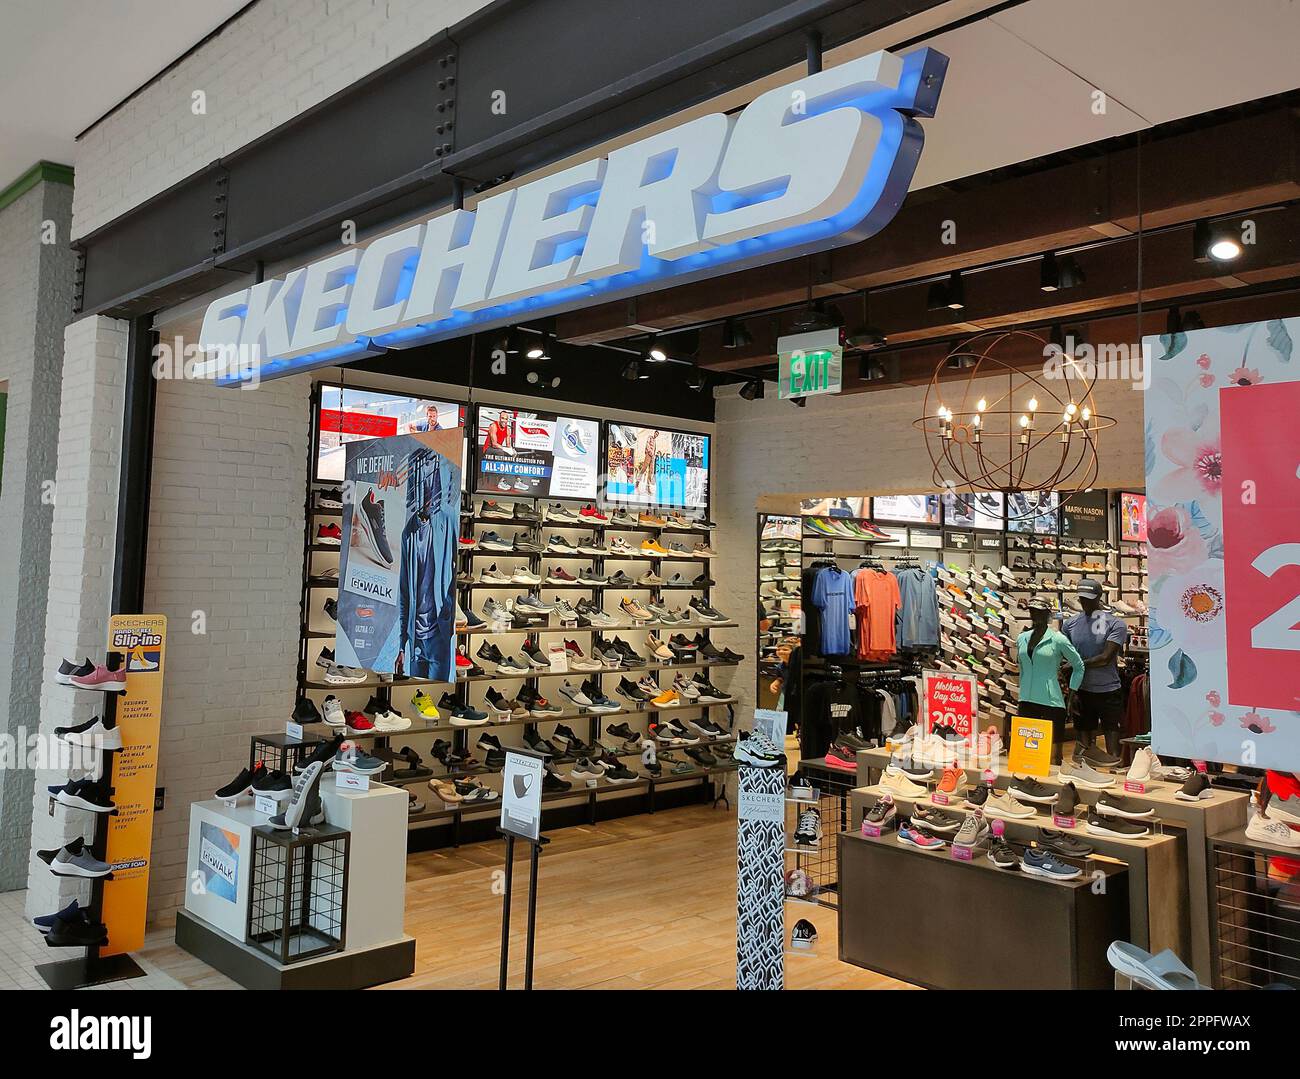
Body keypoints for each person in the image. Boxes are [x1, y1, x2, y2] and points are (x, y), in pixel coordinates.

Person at [1062, 578, 1129, 760]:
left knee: (1112, 737)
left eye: (1089, 598)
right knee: (1084, 742)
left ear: (1099, 597)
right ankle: (1086, 776)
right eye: (1082, 598)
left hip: (1108, 689)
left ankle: (1114, 774)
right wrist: (1071, 690)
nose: (1085, 602)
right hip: (1082, 689)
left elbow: (1105, 658)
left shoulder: (1116, 624)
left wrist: (1077, 664)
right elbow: (1066, 659)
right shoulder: (1070, 624)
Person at [1015, 599, 1084, 764]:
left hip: (1050, 701)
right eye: (1032, 611)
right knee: (1027, 755)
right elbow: (1023, 667)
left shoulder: (1057, 638)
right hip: (1026, 700)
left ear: (1047, 614)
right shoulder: (1022, 638)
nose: (1034, 615)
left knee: (1053, 758)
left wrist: (1073, 692)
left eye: (1038, 611)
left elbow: (1079, 665)